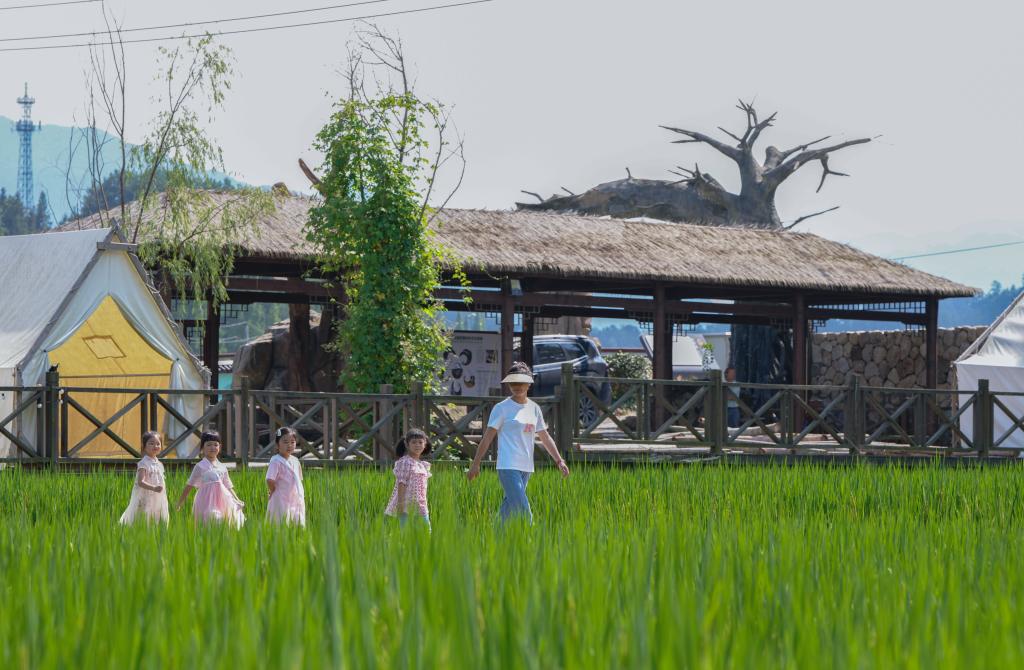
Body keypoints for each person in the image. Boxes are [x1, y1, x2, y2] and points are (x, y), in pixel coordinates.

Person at [466, 362, 569, 524]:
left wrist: (559, 460)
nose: (517, 386)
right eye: (513, 383)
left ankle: (493, 539)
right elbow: (487, 437)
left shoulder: (534, 408)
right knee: (523, 510)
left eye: (521, 382)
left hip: (526, 466)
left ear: (529, 383)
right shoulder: (502, 408)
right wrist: (476, 463)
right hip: (507, 465)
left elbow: (545, 436)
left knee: (509, 508)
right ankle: (531, 541)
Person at [175, 430, 246, 528]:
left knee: (223, 523)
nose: (212, 447)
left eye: (215, 445)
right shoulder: (200, 466)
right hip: (206, 501)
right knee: (213, 520)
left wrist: (237, 499)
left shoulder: (222, 467)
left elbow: (228, 486)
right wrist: (180, 502)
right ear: (202, 448)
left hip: (221, 501)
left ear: (219, 447)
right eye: (209, 445)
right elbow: (189, 485)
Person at [384, 429, 432, 530]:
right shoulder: (405, 462)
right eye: (414, 442)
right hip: (406, 508)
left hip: (421, 507)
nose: (417, 445)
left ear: (425, 444)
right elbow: (401, 483)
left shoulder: (422, 465)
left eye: (420, 442)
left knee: (426, 535)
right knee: (406, 537)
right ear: (407, 444)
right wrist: (400, 505)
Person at [119, 431, 169, 525]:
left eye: (158, 444)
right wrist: (154, 488)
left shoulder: (159, 464)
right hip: (146, 495)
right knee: (143, 516)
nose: (155, 446)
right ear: (144, 446)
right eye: (151, 443)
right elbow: (140, 482)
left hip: (157, 496)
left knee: (156, 516)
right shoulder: (143, 463)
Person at [266, 427, 306, 526]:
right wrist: (273, 490)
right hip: (281, 497)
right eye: (285, 442)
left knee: (297, 522)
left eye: (292, 442)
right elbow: (270, 479)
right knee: (281, 522)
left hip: (294, 498)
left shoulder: (295, 461)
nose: (289, 445)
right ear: (277, 445)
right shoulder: (276, 461)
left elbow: (299, 479)